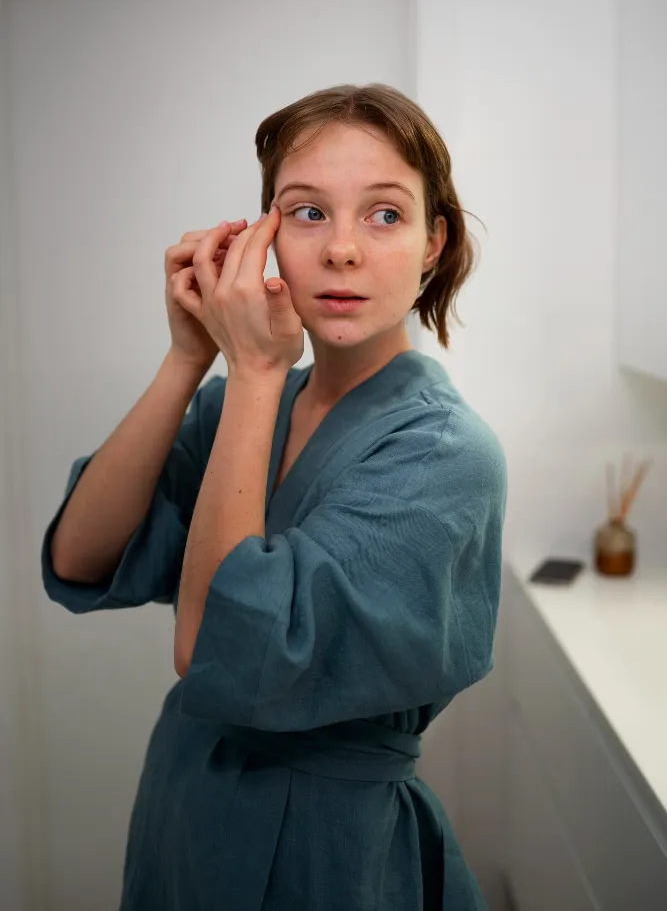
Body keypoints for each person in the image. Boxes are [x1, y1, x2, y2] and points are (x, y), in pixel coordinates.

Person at [41, 83, 507, 911]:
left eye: (385, 215)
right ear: (263, 239)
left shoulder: (445, 454)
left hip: (325, 847)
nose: (341, 251)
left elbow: (217, 646)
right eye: (306, 213)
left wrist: (250, 367)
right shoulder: (244, 408)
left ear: (434, 243)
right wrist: (191, 356)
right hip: (185, 806)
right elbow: (82, 554)